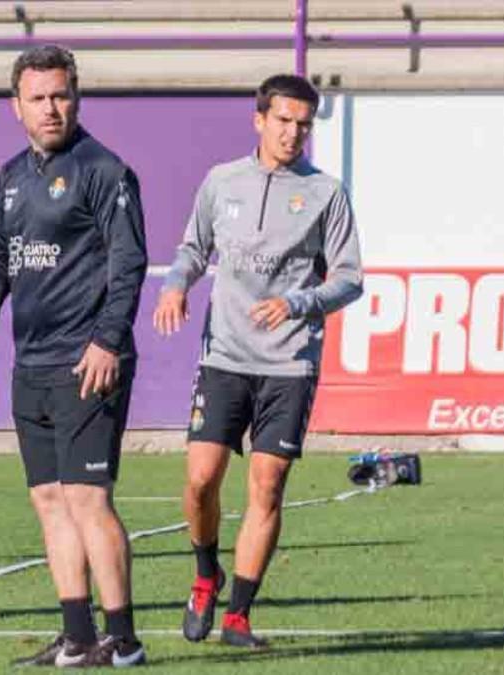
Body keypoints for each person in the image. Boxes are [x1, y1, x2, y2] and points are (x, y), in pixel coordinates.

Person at [153, 74, 363, 648]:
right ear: (259, 119)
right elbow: (193, 249)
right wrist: (175, 286)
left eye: (303, 124)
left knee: (266, 488)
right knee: (200, 483)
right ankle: (205, 573)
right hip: (224, 357)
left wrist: (299, 301)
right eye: (283, 120)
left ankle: (239, 615)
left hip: (289, 364)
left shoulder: (327, 194)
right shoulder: (222, 182)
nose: (293, 133)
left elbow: (349, 281)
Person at [0, 45, 148, 668]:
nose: (51, 107)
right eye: (38, 97)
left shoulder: (104, 170)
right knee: (49, 500)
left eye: (61, 95)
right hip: (31, 365)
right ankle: (77, 636)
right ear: (16, 106)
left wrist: (107, 340)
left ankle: (123, 641)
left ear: (77, 97)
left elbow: (128, 266)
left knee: (88, 498)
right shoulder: (12, 176)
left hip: (86, 362)